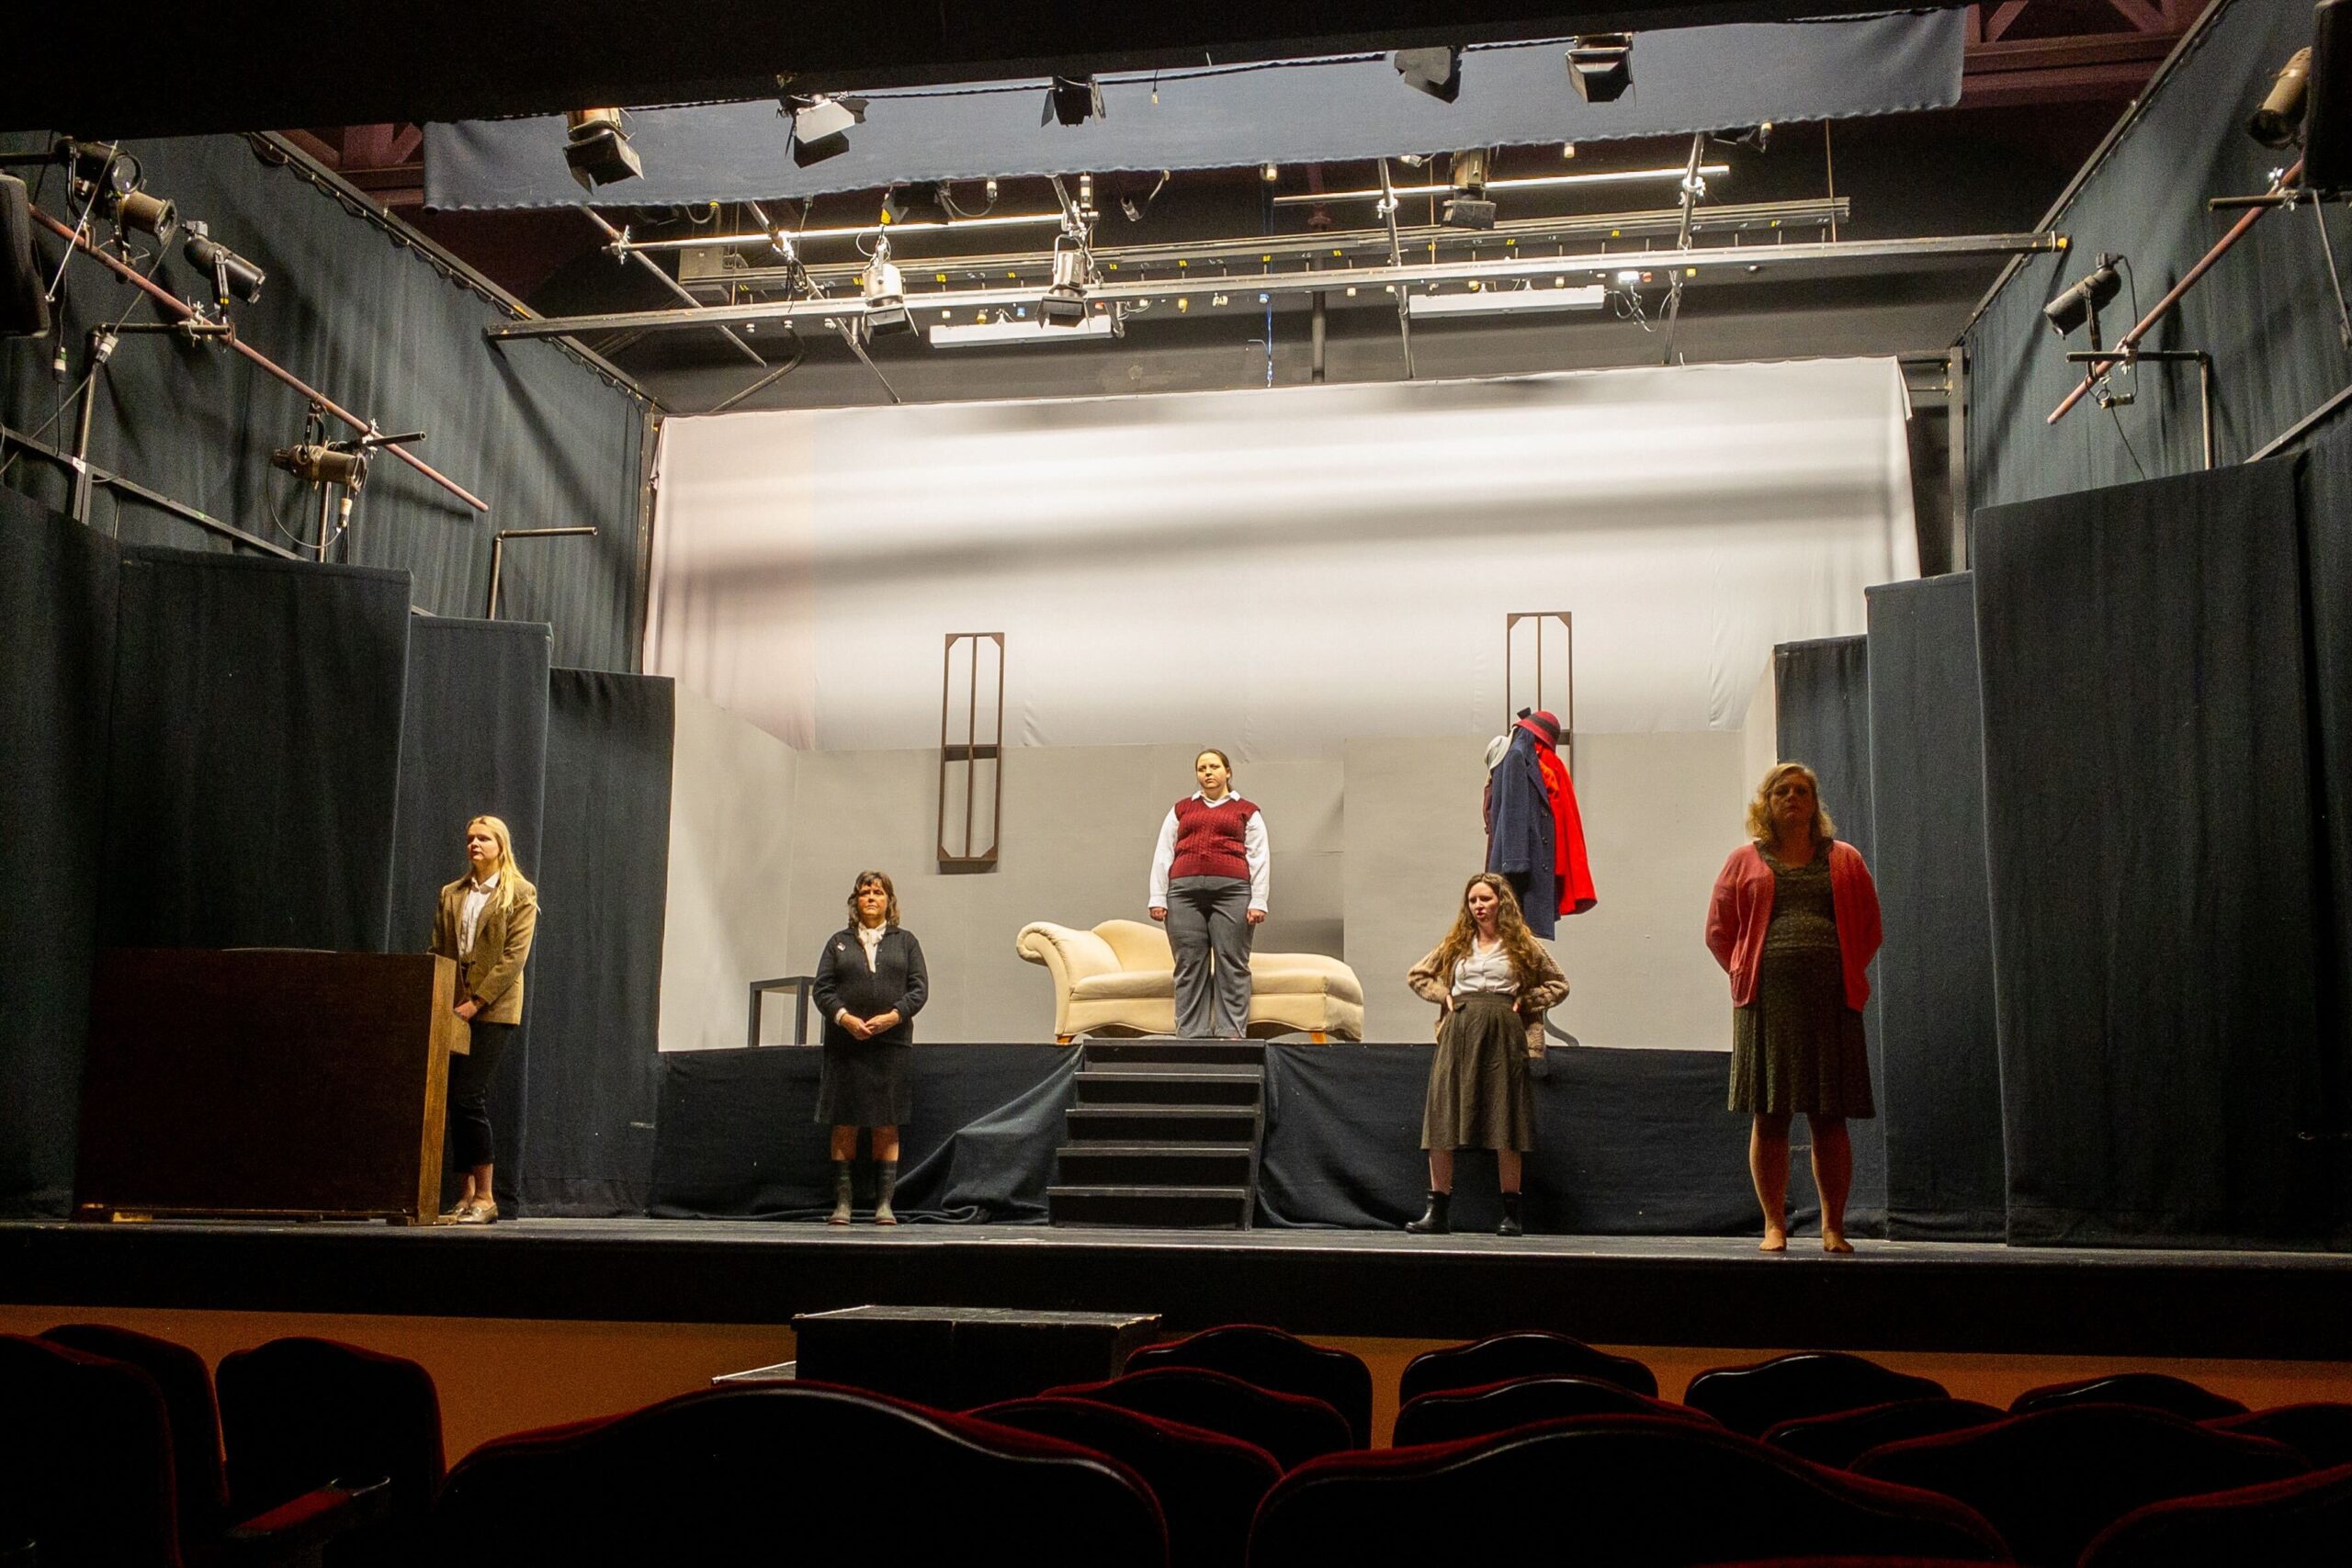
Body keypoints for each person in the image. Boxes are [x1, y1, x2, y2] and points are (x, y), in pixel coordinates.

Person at [1706, 761, 1883, 1254]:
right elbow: (1719, 931)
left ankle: (1833, 1227)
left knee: (1831, 1115)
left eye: (1802, 791)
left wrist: (1835, 968)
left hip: (1832, 1003)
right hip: (1767, 1005)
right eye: (1782, 791)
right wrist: (1748, 970)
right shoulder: (1744, 860)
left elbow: (1869, 927)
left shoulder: (1844, 859)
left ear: (1814, 802)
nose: (1792, 798)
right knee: (1771, 1113)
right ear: (1767, 803)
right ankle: (1774, 1226)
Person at [1403, 873, 1569, 1237]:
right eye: (1473, 900)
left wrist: (1526, 1000)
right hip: (1460, 1030)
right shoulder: (1458, 943)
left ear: (1501, 903)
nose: (1479, 906)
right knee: (1444, 1115)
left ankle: (1511, 1213)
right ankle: (1438, 1211)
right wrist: (1443, 995)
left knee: (1504, 1117)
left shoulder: (1520, 944)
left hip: (1503, 1032)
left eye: (1485, 899)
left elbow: (1558, 983)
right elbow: (1418, 975)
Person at [430, 814, 538, 1225]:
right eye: (470, 838)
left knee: (468, 1095)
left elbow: (513, 959)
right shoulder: (451, 893)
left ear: (501, 845)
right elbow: (438, 949)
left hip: (493, 1008)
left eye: (484, 839)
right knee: (452, 1099)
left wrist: (477, 1002)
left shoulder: (520, 893)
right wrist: (440, 998)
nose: (474, 844)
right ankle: (464, 1196)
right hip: (453, 1007)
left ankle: (487, 1197)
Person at [811, 870, 929, 1225]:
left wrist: (894, 1016)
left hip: (891, 1045)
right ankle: (843, 1205)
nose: (871, 898)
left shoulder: (906, 941)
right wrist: (845, 1018)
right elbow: (822, 989)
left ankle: (884, 1205)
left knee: (886, 1124)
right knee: (844, 1123)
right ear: (855, 901)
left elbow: (919, 989)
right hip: (846, 1047)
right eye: (865, 892)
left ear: (889, 901)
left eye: (878, 892)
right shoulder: (838, 942)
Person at [1147, 748, 1270, 1039]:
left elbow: (1259, 856)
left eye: (1214, 767)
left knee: (1232, 962)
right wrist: (1158, 896)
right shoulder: (1182, 809)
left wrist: (1259, 901)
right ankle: (1191, 1033)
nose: (1208, 773)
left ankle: (1230, 1033)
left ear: (1227, 772)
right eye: (1202, 768)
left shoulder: (1246, 811)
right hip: (1183, 895)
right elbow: (1164, 852)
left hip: (1233, 892)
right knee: (1189, 962)